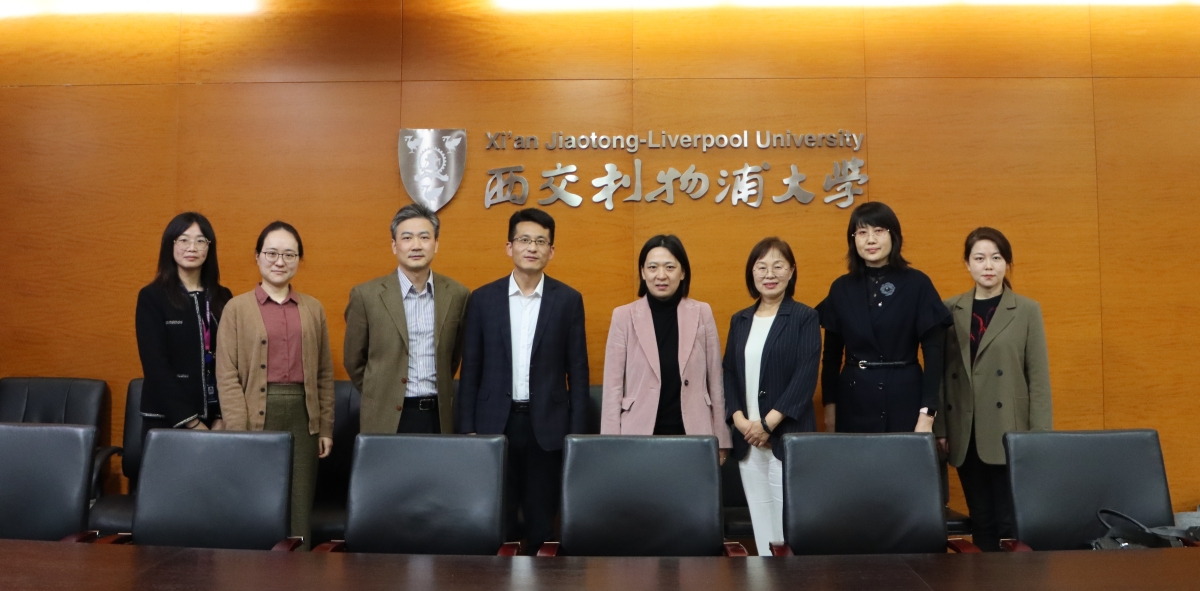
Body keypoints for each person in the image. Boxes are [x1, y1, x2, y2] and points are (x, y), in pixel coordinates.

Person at [456, 208, 589, 554]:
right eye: (525, 240)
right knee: (496, 521)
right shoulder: (483, 299)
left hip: (547, 427)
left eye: (541, 241)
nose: (532, 247)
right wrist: (467, 429)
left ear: (551, 251)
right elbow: (471, 369)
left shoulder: (568, 300)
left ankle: (541, 578)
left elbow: (578, 372)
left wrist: (576, 435)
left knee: (542, 523)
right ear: (509, 246)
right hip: (493, 425)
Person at [216, 221, 334, 549]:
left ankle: (299, 570)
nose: (279, 261)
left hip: (304, 418)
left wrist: (326, 426)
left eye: (289, 254)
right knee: (255, 499)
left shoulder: (313, 308)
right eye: (271, 253)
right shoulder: (236, 308)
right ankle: (250, 572)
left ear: (298, 259)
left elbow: (324, 373)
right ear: (257, 257)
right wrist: (238, 429)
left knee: (299, 504)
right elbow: (226, 374)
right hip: (254, 415)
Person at [935, 227, 1051, 552]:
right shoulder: (949, 309)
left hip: (1009, 430)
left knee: (1010, 522)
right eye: (980, 258)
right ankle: (985, 577)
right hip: (966, 430)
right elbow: (940, 375)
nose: (988, 266)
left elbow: (1038, 377)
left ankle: (1014, 578)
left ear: (1007, 263)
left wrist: (1040, 436)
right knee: (982, 520)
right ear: (967, 263)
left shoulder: (1026, 310)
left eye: (996, 258)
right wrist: (941, 428)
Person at [723, 237, 820, 556]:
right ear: (751, 273)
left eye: (778, 266)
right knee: (761, 519)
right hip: (748, 439)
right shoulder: (740, 320)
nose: (770, 274)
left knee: (788, 525)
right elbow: (729, 373)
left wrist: (767, 424)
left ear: (791, 271)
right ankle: (765, 577)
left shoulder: (805, 317)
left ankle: (790, 579)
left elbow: (805, 376)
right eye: (761, 267)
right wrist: (740, 421)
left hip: (786, 435)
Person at [818, 202, 951, 433]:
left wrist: (927, 414)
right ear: (853, 240)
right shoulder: (841, 288)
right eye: (862, 232)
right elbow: (831, 357)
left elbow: (934, 355)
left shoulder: (917, 284)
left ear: (894, 235)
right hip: (854, 400)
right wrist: (830, 409)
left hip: (905, 400)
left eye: (878, 231)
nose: (870, 240)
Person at [601, 234, 732, 461]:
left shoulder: (702, 312)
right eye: (653, 267)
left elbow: (715, 381)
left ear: (682, 272)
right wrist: (610, 442)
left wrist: (721, 437)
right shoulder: (623, 316)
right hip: (639, 433)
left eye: (670, 267)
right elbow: (612, 387)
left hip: (694, 433)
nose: (661, 275)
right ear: (643, 272)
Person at [344, 203, 470, 435]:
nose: (416, 245)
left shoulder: (457, 295)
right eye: (407, 237)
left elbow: (453, 358)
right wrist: (381, 393)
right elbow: (354, 360)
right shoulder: (366, 295)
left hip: (438, 416)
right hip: (384, 416)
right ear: (394, 245)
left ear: (436, 244)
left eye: (424, 237)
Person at [136, 212, 233, 436]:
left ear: (209, 247)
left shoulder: (223, 296)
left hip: (216, 420)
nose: (192, 247)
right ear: (170, 245)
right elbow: (155, 365)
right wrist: (191, 422)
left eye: (200, 240)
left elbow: (232, 361)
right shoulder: (152, 297)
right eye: (183, 240)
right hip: (167, 419)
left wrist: (222, 416)